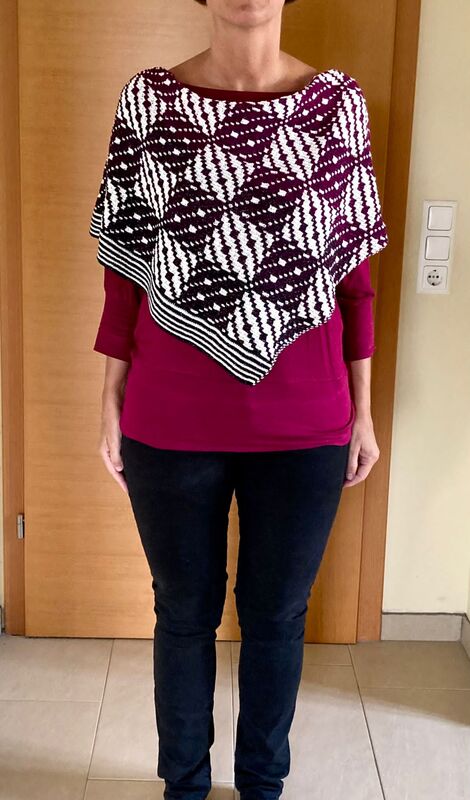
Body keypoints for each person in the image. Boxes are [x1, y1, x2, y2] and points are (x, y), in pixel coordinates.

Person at [90, 2, 388, 797]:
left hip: (307, 422)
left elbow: (353, 278)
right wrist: (109, 396)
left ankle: (262, 785)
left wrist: (362, 410)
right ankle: (183, 786)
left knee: (278, 616)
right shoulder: (149, 102)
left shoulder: (337, 105)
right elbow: (125, 268)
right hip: (170, 418)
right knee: (182, 614)